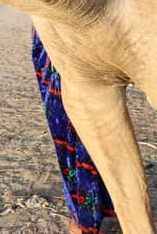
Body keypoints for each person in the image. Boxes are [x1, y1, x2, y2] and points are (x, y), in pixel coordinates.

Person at [32, 29, 116, 234]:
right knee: (85, 128)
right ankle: (92, 212)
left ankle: (87, 216)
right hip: (62, 36)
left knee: (83, 127)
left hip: (68, 35)